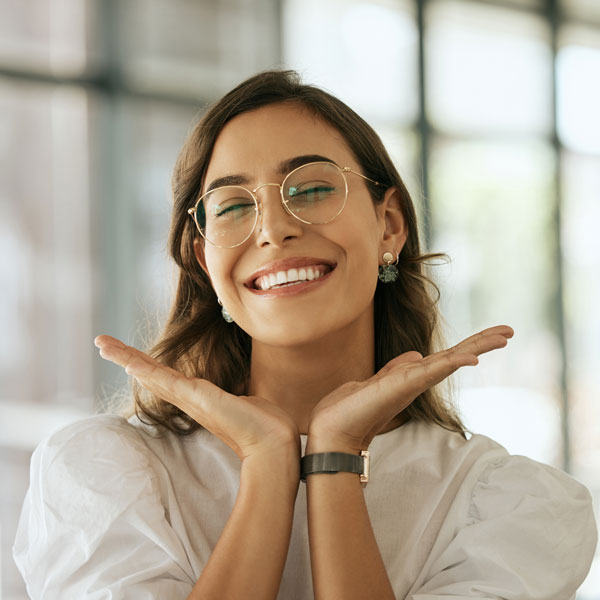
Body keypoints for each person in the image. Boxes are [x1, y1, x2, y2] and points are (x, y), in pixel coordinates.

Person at [14, 70, 596, 600]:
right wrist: (268, 463)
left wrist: (335, 457)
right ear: (203, 262)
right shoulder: (101, 475)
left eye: (313, 189)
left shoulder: (512, 506)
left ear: (388, 226)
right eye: (232, 206)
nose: (272, 229)